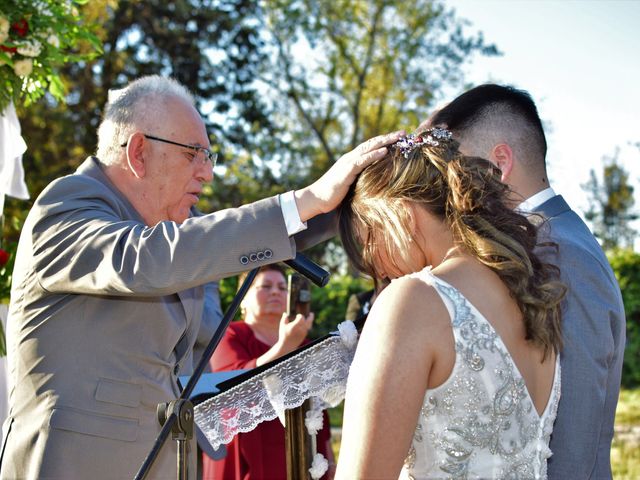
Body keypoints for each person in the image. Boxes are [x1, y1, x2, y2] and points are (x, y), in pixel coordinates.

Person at [0, 75, 402, 480]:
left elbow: (212, 246)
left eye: (208, 156)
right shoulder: (67, 205)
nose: (206, 173)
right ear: (139, 152)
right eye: (194, 154)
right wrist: (307, 199)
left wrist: (344, 203)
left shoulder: (175, 235)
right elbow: (150, 258)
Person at [335, 127, 566, 479]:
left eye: (368, 239)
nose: (372, 265)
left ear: (403, 213)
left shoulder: (413, 301)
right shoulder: (531, 297)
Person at [426, 84, 626, 479]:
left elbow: (575, 432)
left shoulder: (560, 255)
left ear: (499, 164)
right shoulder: (540, 244)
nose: (441, 190)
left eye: (451, 169)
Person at [202, 263, 333, 480]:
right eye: (265, 286)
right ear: (243, 298)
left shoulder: (305, 344)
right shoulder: (230, 334)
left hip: (297, 451)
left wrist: (330, 460)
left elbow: (320, 410)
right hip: (247, 452)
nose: (275, 291)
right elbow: (234, 383)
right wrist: (285, 345)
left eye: (283, 288)